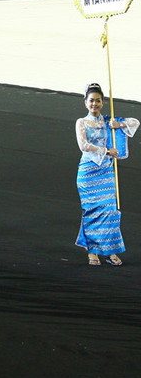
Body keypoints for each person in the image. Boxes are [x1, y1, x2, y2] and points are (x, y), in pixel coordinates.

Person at [76, 84, 138, 266]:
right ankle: (93, 251)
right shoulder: (81, 122)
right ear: (85, 103)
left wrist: (120, 124)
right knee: (93, 211)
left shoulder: (108, 121)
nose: (94, 103)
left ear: (102, 102)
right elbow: (84, 146)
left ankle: (110, 250)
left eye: (98, 100)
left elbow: (135, 122)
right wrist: (106, 151)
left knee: (110, 210)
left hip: (106, 171)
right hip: (88, 172)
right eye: (91, 100)